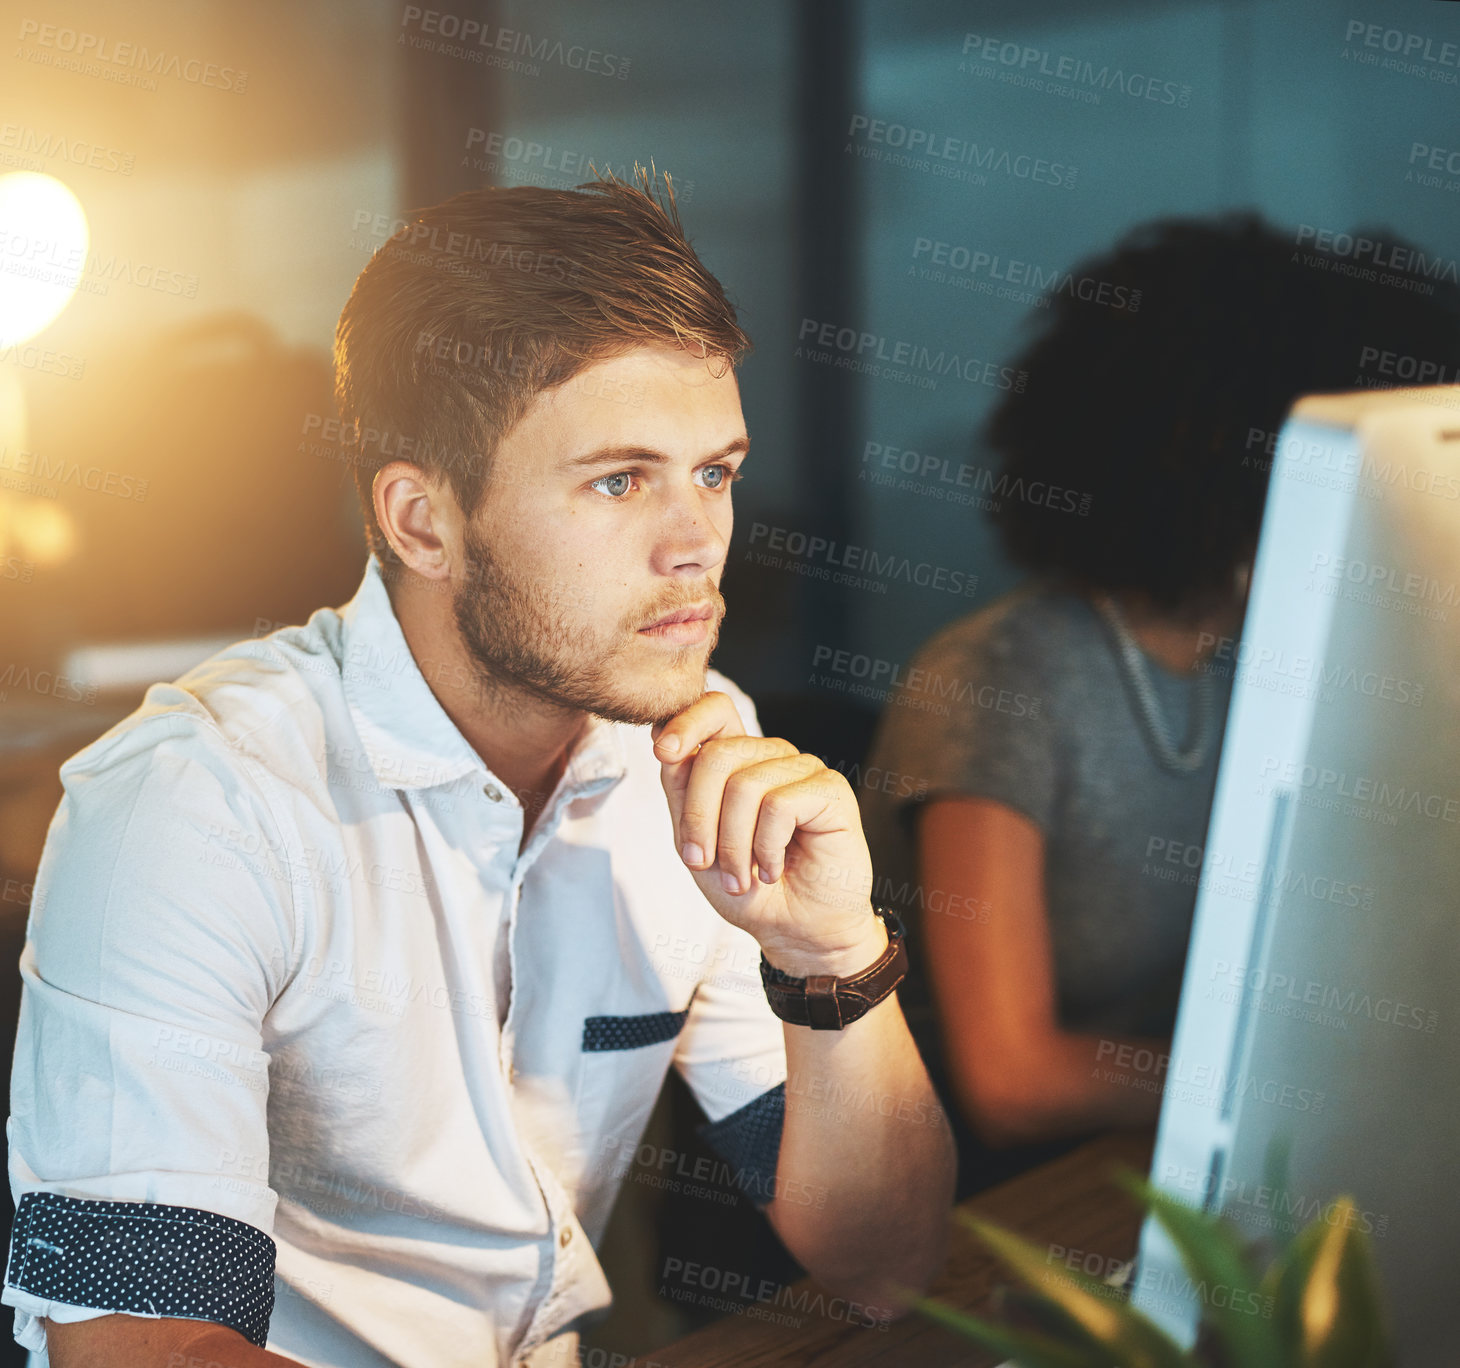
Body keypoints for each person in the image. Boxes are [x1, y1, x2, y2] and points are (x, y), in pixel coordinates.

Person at [4, 172, 954, 1368]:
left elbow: (881, 1265)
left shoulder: (700, 749)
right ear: (420, 522)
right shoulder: (195, 806)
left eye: (712, 471)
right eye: (619, 480)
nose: (695, 544)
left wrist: (832, 959)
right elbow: (143, 1353)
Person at [857, 212, 1460, 1199]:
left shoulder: (1250, 668)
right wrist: (1288, 1098)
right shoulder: (1002, 676)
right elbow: (1008, 1078)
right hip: (981, 1206)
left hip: (1153, 1171)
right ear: (1237, 474)